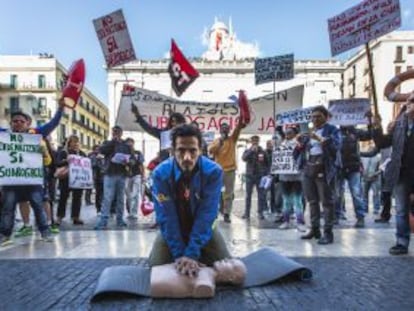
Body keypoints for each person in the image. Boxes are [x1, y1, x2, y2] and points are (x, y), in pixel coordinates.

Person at [149, 124, 231, 274]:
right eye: (181, 150)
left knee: (227, 267)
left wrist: (192, 253)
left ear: (200, 150)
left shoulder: (213, 172)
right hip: (174, 229)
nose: (187, 157)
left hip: (205, 230)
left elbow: (207, 215)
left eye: (193, 151)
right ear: (172, 151)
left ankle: (199, 255)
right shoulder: (160, 174)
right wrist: (181, 255)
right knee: (155, 266)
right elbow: (167, 217)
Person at [0, 99, 65, 246]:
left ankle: (45, 231)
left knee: (38, 206)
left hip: (33, 181)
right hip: (11, 181)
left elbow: (53, 124)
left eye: (21, 121)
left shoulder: (36, 134)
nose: (17, 123)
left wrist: (60, 109)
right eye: (14, 121)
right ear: (10, 124)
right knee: (8, 209)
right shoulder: (4, 135)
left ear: (28, 124)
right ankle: (5, 235)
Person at [372, 92, 414, 255]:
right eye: (410, 101)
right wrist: (376, 126)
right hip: (401, 172)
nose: (411, 104)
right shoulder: (398, 124)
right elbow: (383, 142)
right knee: (401, 210)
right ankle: (401, 242)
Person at [294, 105, 342, 245]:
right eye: (313, 117)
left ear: (326, 117)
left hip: (324, 168)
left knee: (327, 202)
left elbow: (336, 148)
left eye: (318, 116)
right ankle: (315, 229)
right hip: (309, 169)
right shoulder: (309, 132)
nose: (315, 119)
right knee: (312, 201)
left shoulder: (333, 130)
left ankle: (328, 233)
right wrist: (298, 144)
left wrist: (320, 139)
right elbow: (299, 153)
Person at [95, 126, 134, 229]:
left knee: (121, 198)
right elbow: (101, 151)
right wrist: (113, 142)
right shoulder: (108, 143)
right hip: (110, 173)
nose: (115, 133)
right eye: (114, 132)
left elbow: (132, 159)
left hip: (121, 174)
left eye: (117, 132)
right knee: (107, 198)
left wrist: (128, 161)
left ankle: (120, 220)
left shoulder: (126, 146)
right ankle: (103, 222)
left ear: (121, 133)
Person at [150, 258, 246, 298]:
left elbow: (202, 288)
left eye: (231, 263)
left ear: (231, 278)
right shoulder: (205, 268)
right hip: (153, 273)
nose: (226, 259)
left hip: (150, 284)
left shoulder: (207, 285)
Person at [208, 121, 244, 223]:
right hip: (218, 170)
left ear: (229, 130)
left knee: (228, 193)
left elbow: (238, 128)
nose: (225, 130)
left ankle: (227, 213)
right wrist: (220, 143)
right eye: (223, 128)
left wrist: (242, 119)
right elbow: (211, 151)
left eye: (227, 128)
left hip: (230, 170)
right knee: (216, 192)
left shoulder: (232, 139)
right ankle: (217, 211)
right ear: (220, 130)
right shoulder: (216, 141)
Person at [277, 127, 306, 231]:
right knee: (286, 200)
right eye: (286, 132)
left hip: (297, 176)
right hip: (284, 176)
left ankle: (300, 222)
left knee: (297, 200)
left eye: (290, 132)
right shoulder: (281, 143)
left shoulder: (299, 143)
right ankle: (286, 221)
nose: (287, 134)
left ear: (295, 133)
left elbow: (303, 151)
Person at [55, 135, 86, 225]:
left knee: (77, 198)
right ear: (69, 143)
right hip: (66, 179)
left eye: (77, 142)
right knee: (63, 198)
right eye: (74, 141)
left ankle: (75, 217)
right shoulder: (63, 152)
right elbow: (58, 163)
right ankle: (59, 217)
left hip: (77, 179)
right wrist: (66, 161)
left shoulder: (82, 153)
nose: (76, 144)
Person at [241, 135, 269, 220]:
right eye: (253, 141)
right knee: (248, 195)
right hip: (249, 176)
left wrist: (266, 173)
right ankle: (247, 213)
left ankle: (260, 213)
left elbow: (267, 163)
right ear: (251, 142)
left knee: (261, 195)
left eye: (256, 141)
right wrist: (251, 151)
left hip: (259, 176)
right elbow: (244, 158)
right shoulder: (247, 150)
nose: (255, 142)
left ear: (258, 141)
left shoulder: (262, 151)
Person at [124, 137, 145, 219]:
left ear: (133, 143)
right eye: (127, 144)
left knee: (135, 194)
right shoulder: (124, 153)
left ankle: (134, 212)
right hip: (127, 176)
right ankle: (130, 212)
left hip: (137, 175)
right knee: (128, 195)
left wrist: (143, 175)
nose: (129, 145)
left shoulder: (138, 153)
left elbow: (141, 164)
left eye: (131, 143)